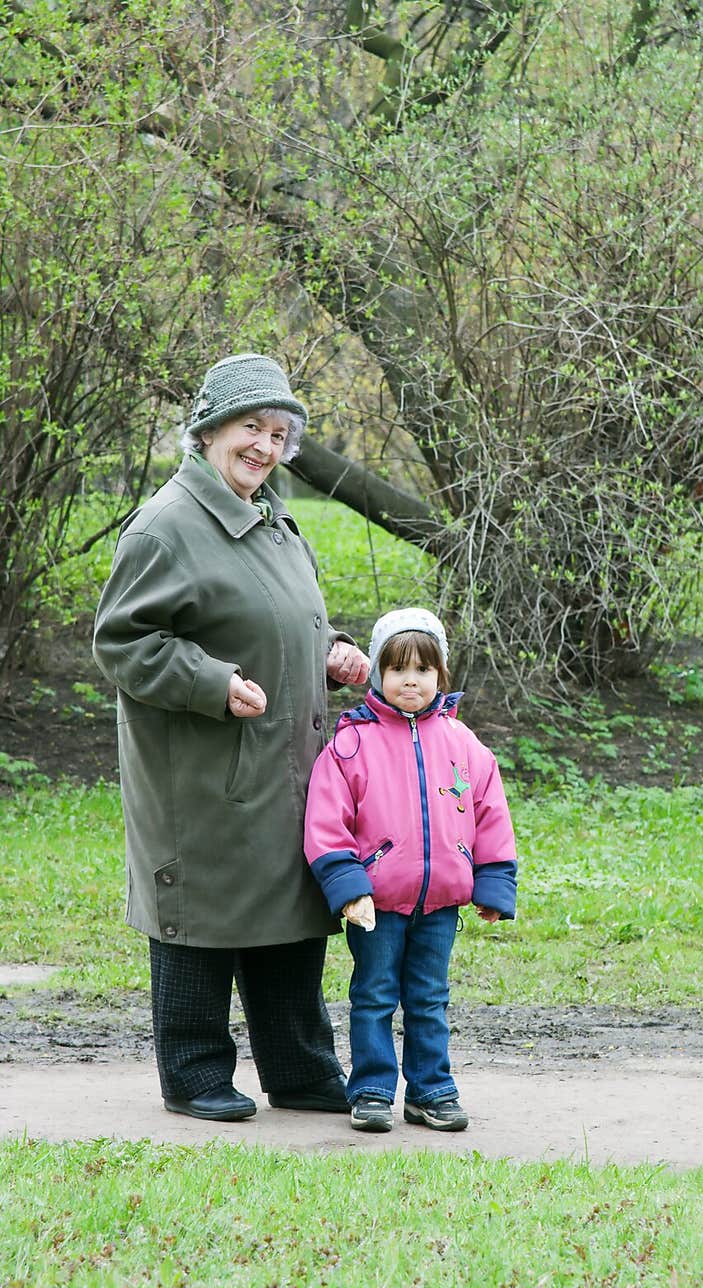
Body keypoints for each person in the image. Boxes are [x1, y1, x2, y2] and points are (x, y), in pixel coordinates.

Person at [92, 352, 370, 1122]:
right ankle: (193, 1073)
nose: (266, 447)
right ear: (211, 428)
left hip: (284, 760)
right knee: (202, 913)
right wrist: (211, 683)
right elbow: (122, 642)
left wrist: (333, 649)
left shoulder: (271, 515)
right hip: (204, 766)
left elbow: (280, 616)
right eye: (252, 427)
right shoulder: (167, 525)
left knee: (287, 908)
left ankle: (302, 1070)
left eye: (280, 434)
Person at [303, 607, 517, 1134]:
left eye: (423, 669)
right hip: (378, 903)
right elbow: (327, 822)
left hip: (442, 903)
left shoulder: (463, 744)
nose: (411, 681)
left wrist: (491, 884)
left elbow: (490, 814)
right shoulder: (352, 744)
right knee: (374, 995)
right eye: (398, 669)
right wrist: (349, 887)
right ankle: (372, 1089)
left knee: (429, 998)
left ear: (440, 675)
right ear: (378, 673)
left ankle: (431, 1090)